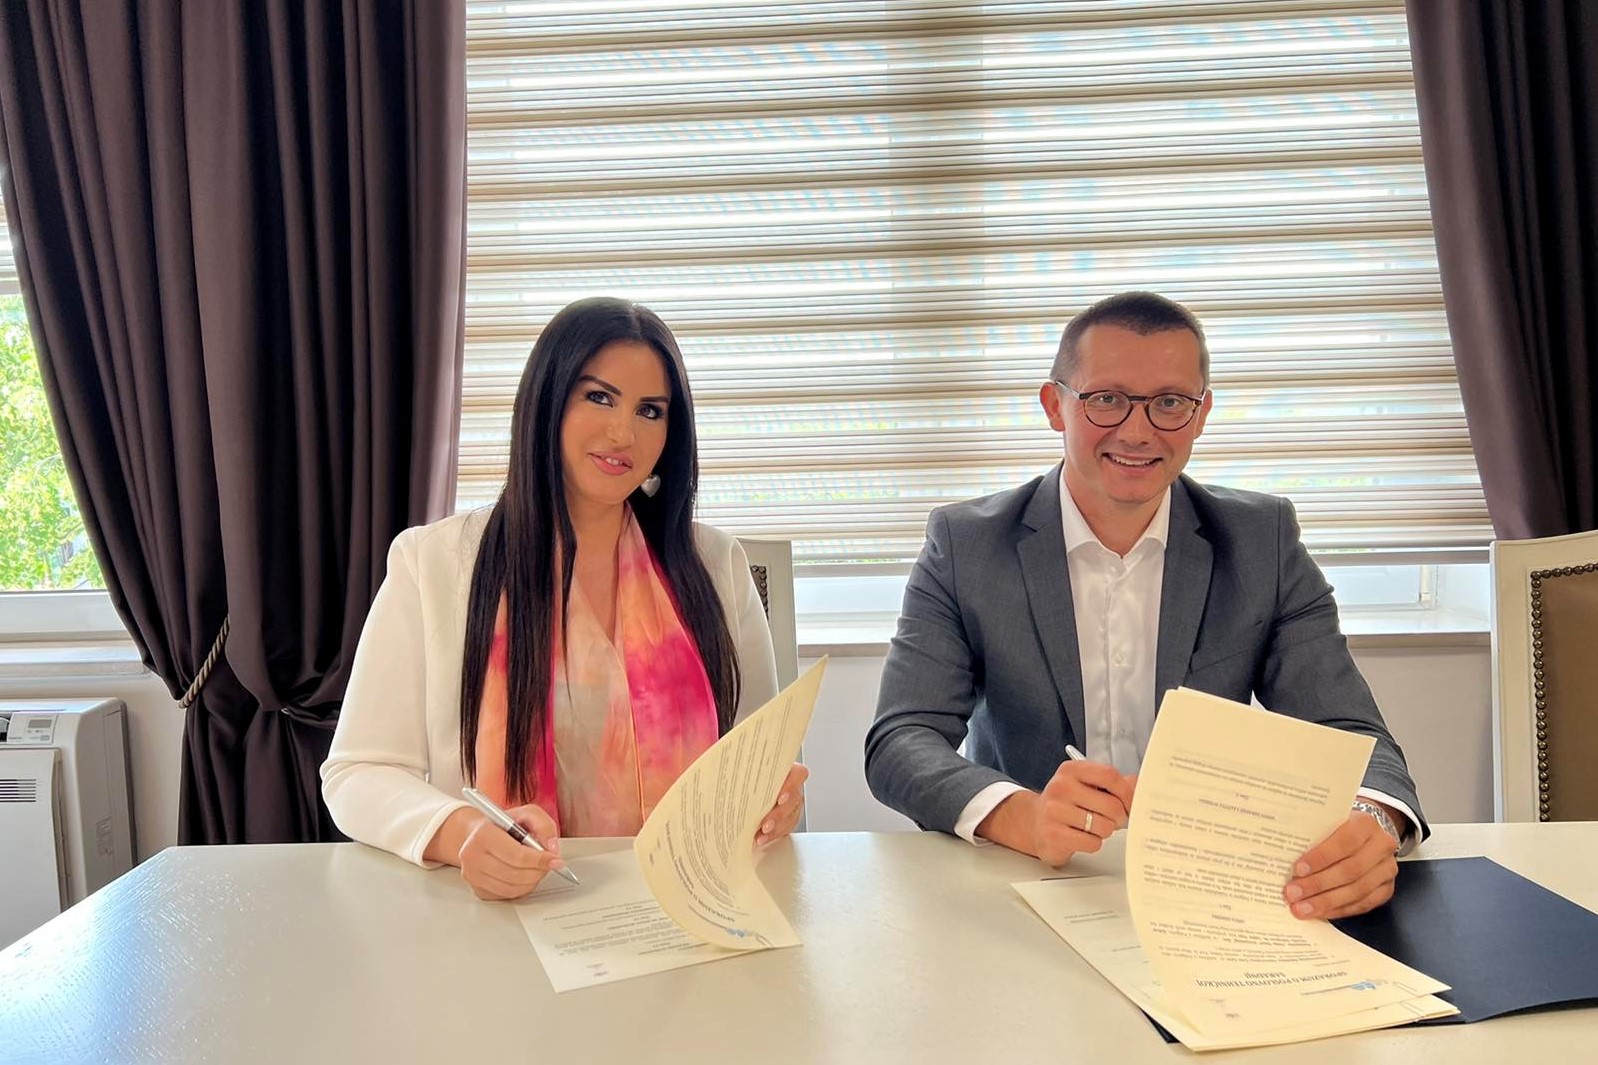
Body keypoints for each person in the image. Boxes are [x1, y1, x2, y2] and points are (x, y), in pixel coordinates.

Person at [864, 291, 1425, 920]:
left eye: (1170, 403)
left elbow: (1351, 732)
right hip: (1022, 883)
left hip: (1212, 890)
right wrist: (1020, 815)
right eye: (1106, 399)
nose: (1137, 431)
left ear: (1201, 414)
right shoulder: (966, 545)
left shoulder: (1261, 541)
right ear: (1055, 406)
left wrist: (1376, 818)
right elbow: (902, 740)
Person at [323, 296, 802, 899]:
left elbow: (759, 759)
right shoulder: (434, 563)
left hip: (687, 907)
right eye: (599, 397)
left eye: (650, 410)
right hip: (503, 915)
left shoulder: (715, 564)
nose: (623, 432)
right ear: (547, 402)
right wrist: (462, 834)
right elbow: (358, 773)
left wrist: (775, 799)